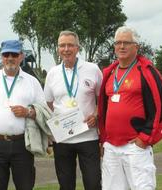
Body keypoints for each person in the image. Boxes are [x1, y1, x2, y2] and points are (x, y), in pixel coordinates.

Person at [97, 26, 162, 190]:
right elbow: (103, 107)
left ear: (136, 46)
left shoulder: (147, 72)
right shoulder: (109, 73)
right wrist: (104, 138)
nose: (122, 46)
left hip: (135, 147)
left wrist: (145, 138)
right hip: (111, 147)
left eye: (126, 43)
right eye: (118, 43)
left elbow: (161, 107)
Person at [0, 39, 45, 190]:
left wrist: (28, 112)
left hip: (23, 145)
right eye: (6, 54)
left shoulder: (32, 82)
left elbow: (43, 111)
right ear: (1, 57)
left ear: (21, 56)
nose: (10, 58)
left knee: (25, 186)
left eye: (14, 54)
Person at [44, 31, 102, 190]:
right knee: (66, 185)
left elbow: (103, 100)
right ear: (58, 49)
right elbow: (48, 105)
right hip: (62, 139)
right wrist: (50, 133)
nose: (66, 49)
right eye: (62, 45)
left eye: (70, 45)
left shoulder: (93, 69)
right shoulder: (53, 73)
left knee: (93, 183)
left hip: (88, 137)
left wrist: (96, 115)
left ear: (78, 48)